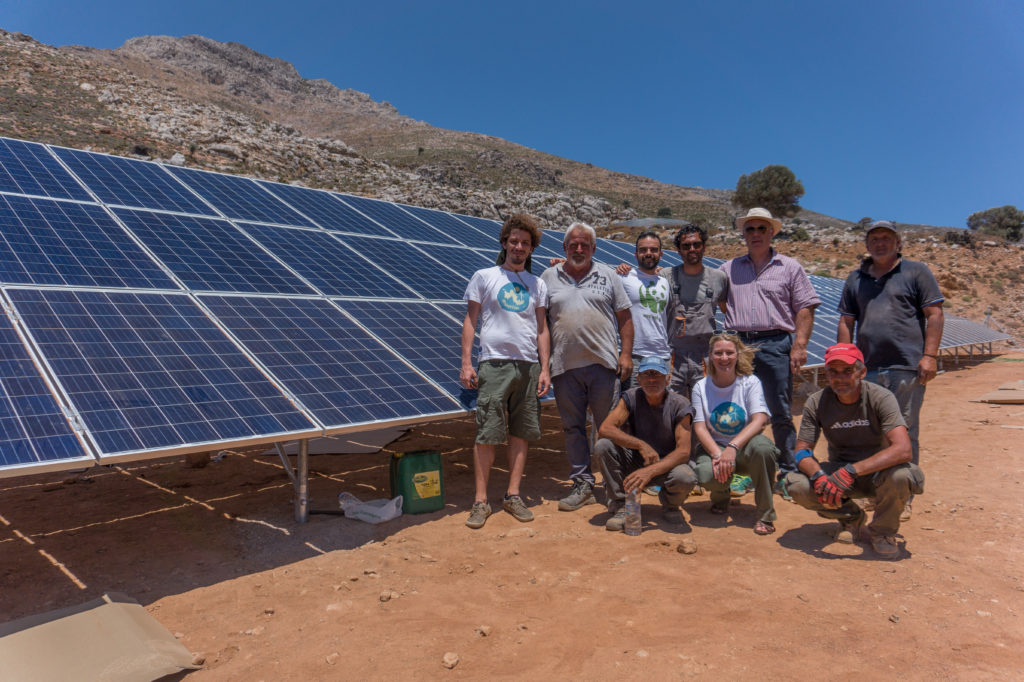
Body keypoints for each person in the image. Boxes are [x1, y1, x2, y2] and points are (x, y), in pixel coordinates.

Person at [837, 220, 943, 521]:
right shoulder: (856, 277)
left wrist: (930, 355)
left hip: (905, 366)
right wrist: (845, 363)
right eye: (874, 238)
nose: (880, 243)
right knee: (872, 433)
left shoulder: (915, 271)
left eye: (886, 238)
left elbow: (934, 314)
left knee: (904, 431)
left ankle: (903, 495)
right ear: (867, 244)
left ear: (898, 243)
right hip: (866, 369)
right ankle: (877, 491)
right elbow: (846, 321)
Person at [782, 343, 924, 559]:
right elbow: (802, 451)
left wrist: (851, 471)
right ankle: (851, 518)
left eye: (848, 371)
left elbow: (903, 449)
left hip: (879, 474)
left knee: (902, 475)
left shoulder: (880, 397)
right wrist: (818, 476)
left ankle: (883, 533)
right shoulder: (817, 402)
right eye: (833, 372)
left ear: (862, 372)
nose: (840, 378)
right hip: (840, 476)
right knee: (796, 484)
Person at [460, 213, 551, 529]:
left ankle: (513, 495)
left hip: (528, 367)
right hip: (494, 364)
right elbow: (471, 321)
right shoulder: (485, 276)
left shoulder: (537, 284)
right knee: (487, 433)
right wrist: (467, 362)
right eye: (514, 241)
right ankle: (480, 501)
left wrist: (545, 369)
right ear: (504, 243)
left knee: (521, 432)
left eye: (525, 243)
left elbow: (542, 329)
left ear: (531, 249)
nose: (519, 247)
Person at [721, 207, 820, 493]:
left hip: (777, 343)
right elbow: (721, 303)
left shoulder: (789, 267)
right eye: (749, 229)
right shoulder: (728, 269)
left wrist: (799, 346)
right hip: (740, 346)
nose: (755, 234)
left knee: (779, 409)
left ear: (772, 232)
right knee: (738, 410)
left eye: (760, 229)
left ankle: (787, 471)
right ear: (743, 234)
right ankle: (745, 470)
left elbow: (804, 307)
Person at [541, 222, 634, 511]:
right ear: (564, 248)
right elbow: (540, 324)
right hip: (564, 367)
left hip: (603, 365)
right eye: (573, 244)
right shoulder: (547, 277)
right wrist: (544, 365)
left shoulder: (608, 276)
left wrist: (626, 354)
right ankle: (582, 483)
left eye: (584, 245)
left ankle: (613, 484)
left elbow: (625, 319)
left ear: (594, 248)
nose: (578, 249)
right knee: (573, 428)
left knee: (608, 428)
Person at [690, 332, 779, 535]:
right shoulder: (701, 387)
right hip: (717, 447)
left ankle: (765, 514)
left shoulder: (750, 382)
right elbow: (700, 427)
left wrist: (733, 447)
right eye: (718, 353)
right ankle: (721, 498)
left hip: (745, 446)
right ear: (710, 356)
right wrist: (717, 454)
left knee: (764, 449)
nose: (724, 358)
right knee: (705, 473)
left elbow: (760, 420)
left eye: (729, 353)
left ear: (737, 355)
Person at [595, 357, 697, 531]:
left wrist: (649, 471)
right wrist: (641, 445)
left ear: (667, 379)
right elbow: (605, 429)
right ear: (639, 379)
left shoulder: (680, 404)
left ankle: (671, 505)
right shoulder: (631, 397)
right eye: (646, 375)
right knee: (603, 446)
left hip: (665, 464)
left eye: (657, 375)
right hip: (635, 459)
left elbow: (683, 452)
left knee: (686, 476)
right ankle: (621, 504)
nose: (651, 380)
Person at [664, 223, 729, 398]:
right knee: (670, 409)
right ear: (678, 251)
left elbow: (728, 313)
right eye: (686, 246)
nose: (692, 249)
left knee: (705, 408)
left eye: (696, 245)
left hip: (705, 357)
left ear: (704, 247)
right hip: (673, 358)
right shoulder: (665, 276)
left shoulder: (719, 278)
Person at [616, 231, 673, 390]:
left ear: (661, 254)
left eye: (653, 250)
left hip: (662, 356)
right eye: (643, 250)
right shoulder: (624, 277)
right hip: (634, 356)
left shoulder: (665, 281)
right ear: (636, 254)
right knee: (633, 407)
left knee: (661, 408)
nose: (648, 253)